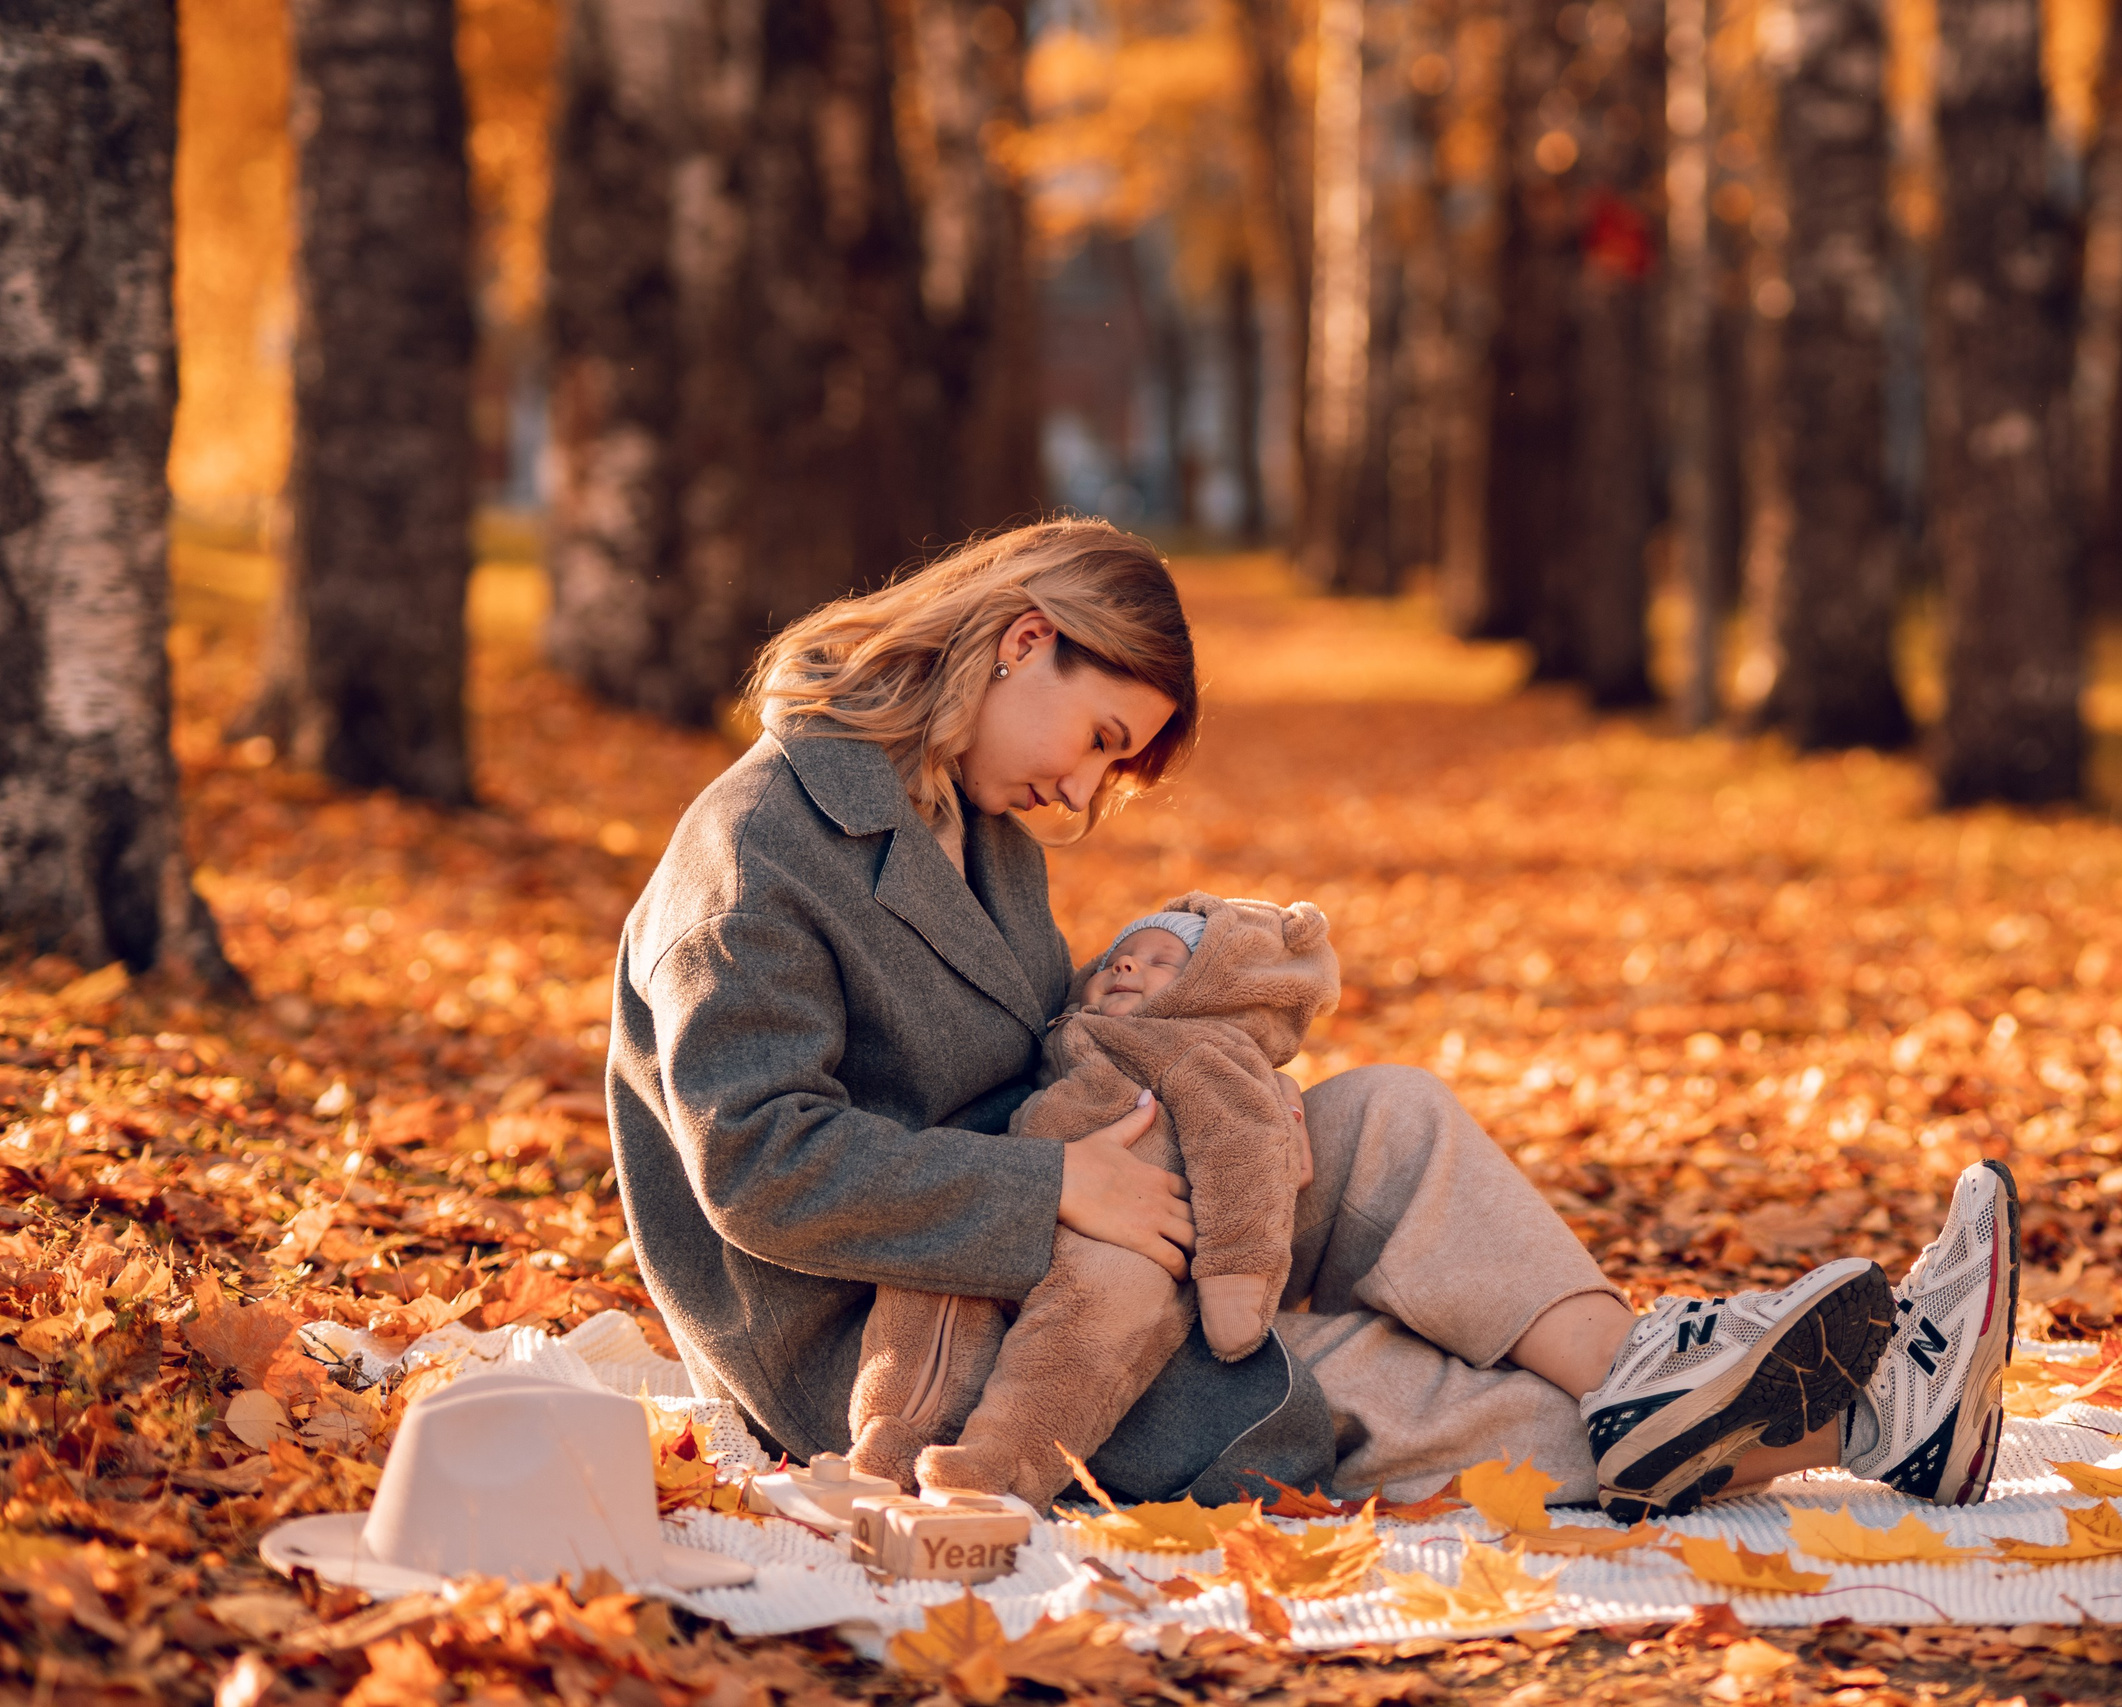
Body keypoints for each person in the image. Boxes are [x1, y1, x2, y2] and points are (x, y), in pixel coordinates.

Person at [605, 518, 2020, 1519]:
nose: (1089, 798)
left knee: (1386, 1113)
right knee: (1355, 1376)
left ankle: (1656, 1371)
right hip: (909, 1348)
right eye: (1102, 741)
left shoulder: (983, 826)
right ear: (1021, 641)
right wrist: (1058, 1190)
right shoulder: (757, 851)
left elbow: (1034, 1055)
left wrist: (1175, 1035)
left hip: (1072, 1230)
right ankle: (1876, 1418)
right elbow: (761, 1163)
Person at [849, 895, 1337, 1507]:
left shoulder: (1201, 1051)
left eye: (1162, 960)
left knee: (1082, 1340)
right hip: (1028, 1206)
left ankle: (998, 1468)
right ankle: (889, 1442)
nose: (1126, 967)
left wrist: (1237, 1274)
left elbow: (1245, 1152)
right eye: (1119, 958)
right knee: (928, 1293)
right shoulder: (1073, 1037)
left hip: (1136, 1239)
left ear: (1216, 989)